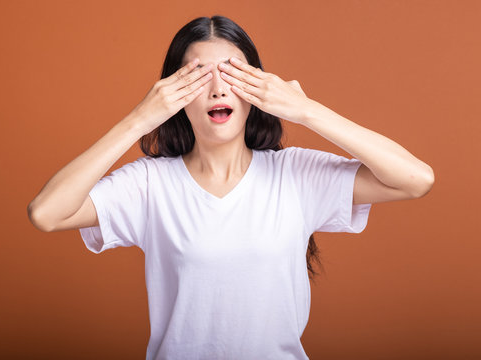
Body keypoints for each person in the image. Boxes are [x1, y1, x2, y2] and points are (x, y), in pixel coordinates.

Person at [27, 14, 434, 360]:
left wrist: (307, 111)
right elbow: (46, 213)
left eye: (233, 73)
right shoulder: (149, 184)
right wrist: (138, 119)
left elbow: (416, 179)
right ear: (173, 95)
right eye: (198, 76)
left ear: (258, 88)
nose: (218, 88)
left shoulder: (295, 174)